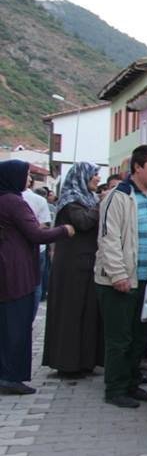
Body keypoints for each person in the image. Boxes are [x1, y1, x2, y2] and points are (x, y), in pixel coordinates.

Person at [94, 145, 147, 408]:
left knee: (138, 338)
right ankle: (115, 389)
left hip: (146, 280)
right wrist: (117, 275)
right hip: (119, 281)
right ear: (137, 167)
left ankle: (131, 383)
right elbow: (109, 239)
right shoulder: (118, 197)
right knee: (119, 338)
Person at [0, 161, 74, 395]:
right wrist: (64, 230)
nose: (29, 179)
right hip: (16, 272)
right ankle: (11, 377)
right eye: (27, 174)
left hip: (7, 268)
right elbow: (36, 234)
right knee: (18, 325)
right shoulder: (14, 202)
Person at [42, 162, 103, 376]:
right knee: (71, 314)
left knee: (86, 315)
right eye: (94, 174)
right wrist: (100, 206)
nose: (97, 178)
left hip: (86, 265)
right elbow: (84, 223)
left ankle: (85, 361)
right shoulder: (71, 202)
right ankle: (68, 363)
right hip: (71, 267)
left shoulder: (88, 199)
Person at [23, 176, 52, 308]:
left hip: (33, 247)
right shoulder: (39, 200)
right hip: (37, 247)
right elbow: (46, 224)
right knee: (35, 283)